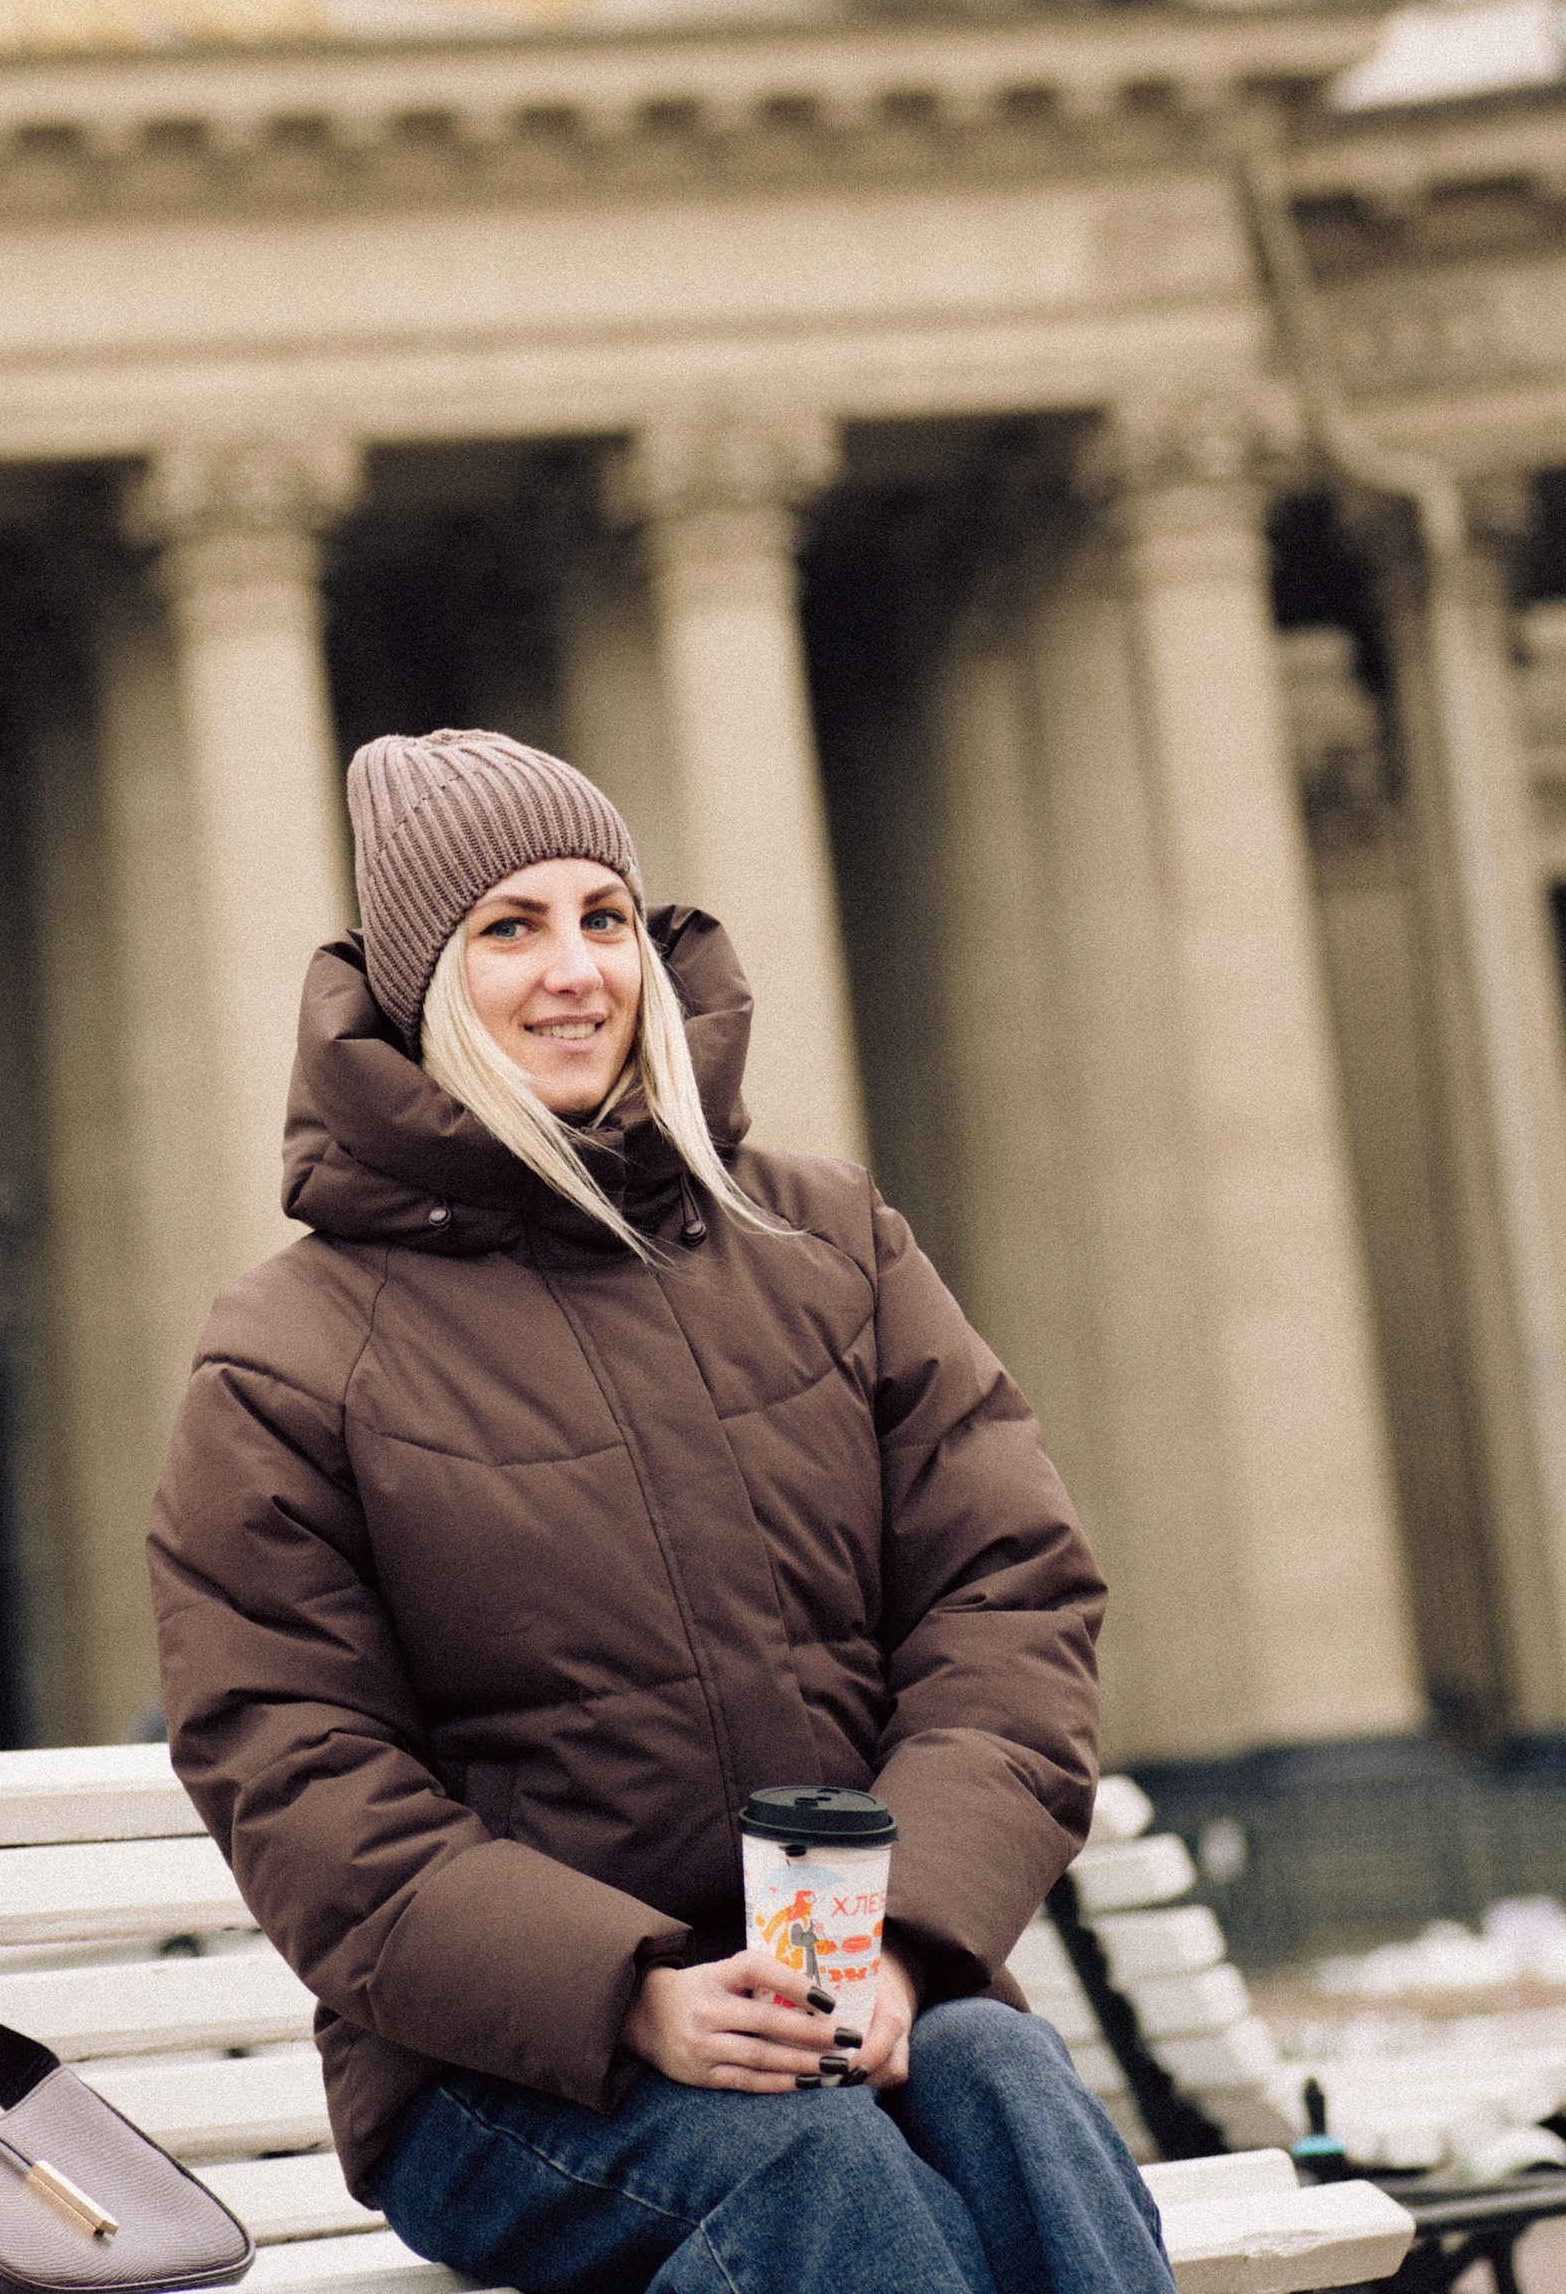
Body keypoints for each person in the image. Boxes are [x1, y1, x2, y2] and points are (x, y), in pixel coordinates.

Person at [148, 727, 1173, 2294]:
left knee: (1007, 2083)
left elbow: (1007, 1600)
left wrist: (908, 1941)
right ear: (427, 983)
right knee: (818, 2174)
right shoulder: (291, 1354)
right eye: (509, 929)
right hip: (512, 2074)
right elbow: (299, 1776)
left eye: (605, 916)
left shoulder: (828, 1241)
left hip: (846, 1984)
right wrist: (632, 1994)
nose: (576, 972)